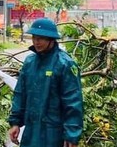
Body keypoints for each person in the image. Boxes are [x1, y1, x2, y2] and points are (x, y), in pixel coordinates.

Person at [8, 18, 84, 147]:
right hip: (31, 131)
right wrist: (15, 122)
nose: (36, 42)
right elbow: (20, 94)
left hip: (54, 133)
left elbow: (73, 101)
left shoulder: (65, 64)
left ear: (51, 40)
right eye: (34, 38)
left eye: (41, 39)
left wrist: (71, 134)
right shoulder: (29, 62)